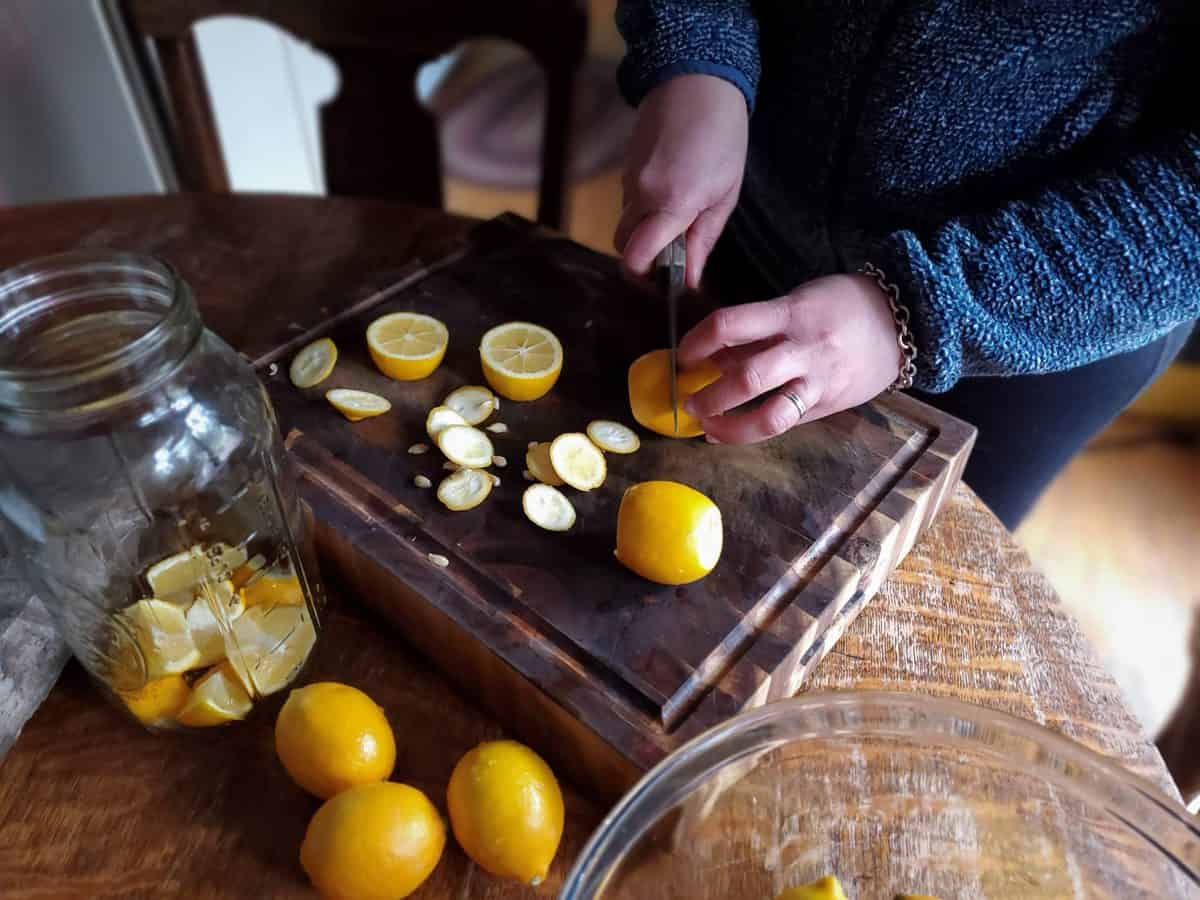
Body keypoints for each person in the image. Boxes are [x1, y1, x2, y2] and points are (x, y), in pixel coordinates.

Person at [613, 1, 1198, 528]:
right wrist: (697, 48)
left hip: (1029, 324)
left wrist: (915, 313)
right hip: (754, 211)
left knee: (898, 578)